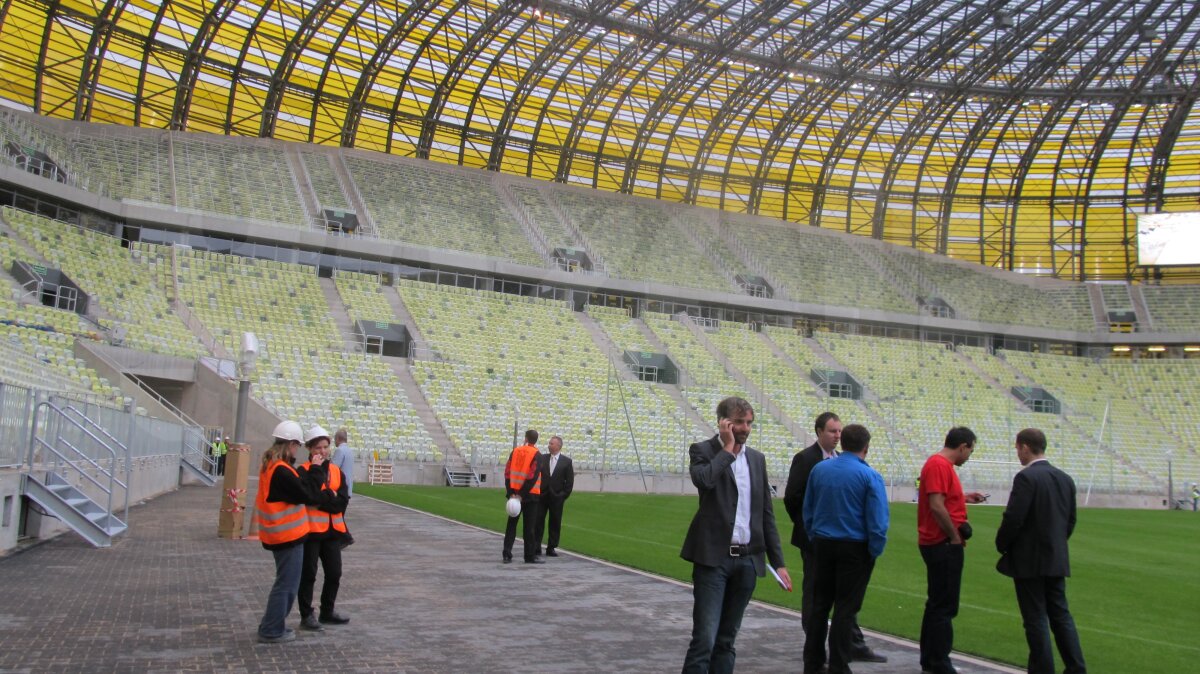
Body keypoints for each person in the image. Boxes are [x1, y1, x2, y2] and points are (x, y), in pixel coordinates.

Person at [680, 396, 791, 674]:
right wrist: (727, 450)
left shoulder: (756, 459)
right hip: (713, 559)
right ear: (723, 422)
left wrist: (778, 562)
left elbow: (766, 513)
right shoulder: (702, 450)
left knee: (727, 640)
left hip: (747, 562)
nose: (745, 428)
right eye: (739, 422)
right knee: (705, 639)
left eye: (749, 422)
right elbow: (704, 480)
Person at [783, 411, 886, 664]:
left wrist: (815, 534)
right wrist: (873, 550)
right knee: (844, 607)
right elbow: (878, 521)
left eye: (838, 432)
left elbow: (808, 508)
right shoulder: (868, 475)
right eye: (832, 430)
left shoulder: (822, 468)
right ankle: (840, 662)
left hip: (823, 543)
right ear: (866, 447)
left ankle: (816, 660)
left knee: (821, 605)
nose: (835, 435)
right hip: (848, 546)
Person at [995, 428, 1086, 674]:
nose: (1017, 454)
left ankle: (1042, 669)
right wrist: (1056, 543)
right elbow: (1070, 520)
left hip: (1029, 559)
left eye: (1017, 448)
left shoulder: (1026, 478)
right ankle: (1076, 667)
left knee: (1035, 618)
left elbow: (1014, 517)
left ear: (1025, 447)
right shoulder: (1065, 478)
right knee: (1060, 615)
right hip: (1056, 557)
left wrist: (1002, 544)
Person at [917, 427, 988, 674]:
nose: (969, 456)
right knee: (944, 606)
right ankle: (938, 662)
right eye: (970, 450)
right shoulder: (939, 465)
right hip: (942, 543)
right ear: (963, 446)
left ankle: (930, 658)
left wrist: (964, 497)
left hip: (939, 542)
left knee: (937, 603)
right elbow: (936, 506)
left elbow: (942, 499)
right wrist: (954, 536)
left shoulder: (941, 467)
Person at [254, 420, 328, 644]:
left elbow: (298, 484)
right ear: (292, 444)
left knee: (284, 583)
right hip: (287, 537)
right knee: (287, 585)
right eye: (297, 445)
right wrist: (315, 468)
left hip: (279, 535)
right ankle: (271, 629)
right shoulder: (281, 471)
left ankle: (271, 623)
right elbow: (309, 495)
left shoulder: (276, 467)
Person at [296, 425, 351, 631]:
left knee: (334, 573)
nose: (322, 452)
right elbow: (308, 497)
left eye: (325, 447)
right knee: (308, 574)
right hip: (311, 531)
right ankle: (306, 614)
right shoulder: (303, 470)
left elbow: (342, 501)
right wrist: (330, 497)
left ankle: (327, 610)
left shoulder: (337, 472)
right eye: (318, 448)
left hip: (332, 531)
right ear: (310, 449)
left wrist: (323, 500)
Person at [503, 429, 543, 564]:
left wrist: (511, 492)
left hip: (514, 493)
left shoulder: (515, 451)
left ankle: (507, 552)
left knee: (511, 525)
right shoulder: (536, 454)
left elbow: (507, 473)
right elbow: (532, 477)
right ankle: (529, 556)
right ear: (536, 440)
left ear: (525, 438)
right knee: (529, 527)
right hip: (530, 496)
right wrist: (522, 495)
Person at [536, 435, 573, 557]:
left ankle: (551, 547)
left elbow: (569, 482)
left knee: (555, 522)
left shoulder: (566, 462)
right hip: (542, 496)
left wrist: (562, 496)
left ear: (558, 446)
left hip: (557, 497)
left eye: (551, 443)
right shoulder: (543, 458)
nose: (549, 445)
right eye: (549, 443)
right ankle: (536, 546)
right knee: (538, 521)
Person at [331, 428, 355, 548]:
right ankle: (344, 538)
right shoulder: (350, 451)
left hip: (340, 488)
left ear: (338, 439)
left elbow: (333, 468)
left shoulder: (340, 451)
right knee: (339, 515)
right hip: (348, 487)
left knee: (338, 515)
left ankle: (346, 538)